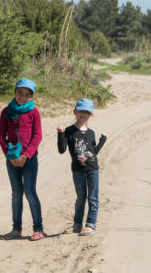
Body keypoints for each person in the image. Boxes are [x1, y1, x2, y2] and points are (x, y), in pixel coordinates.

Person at [0, 78, 46, 241]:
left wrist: (26, 155)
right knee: (16, 192)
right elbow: (1, 135)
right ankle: (16, 229)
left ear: (31, 96)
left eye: (27, 94)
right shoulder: (6, 112)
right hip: (12, 159)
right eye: (20, 93)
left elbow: (37, 135)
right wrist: (9, 155)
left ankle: (38, 228)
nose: (22, 97)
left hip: (29, 159)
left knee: (30, 192)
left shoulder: (34, 112)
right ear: (14, 92)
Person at [57, 98, 107, 236]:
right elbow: (61, 150)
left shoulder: (91, 133)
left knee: (92, 198)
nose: (83, 114)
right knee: (80, 198)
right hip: (77, 170)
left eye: (86, 112)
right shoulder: (69, 130)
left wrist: (102, 141)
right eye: (80, 111)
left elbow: (93, 152)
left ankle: (91, 225)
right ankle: (77, 225)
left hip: (92, 170)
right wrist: (60, 134)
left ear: (91, 115)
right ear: (75, 111)